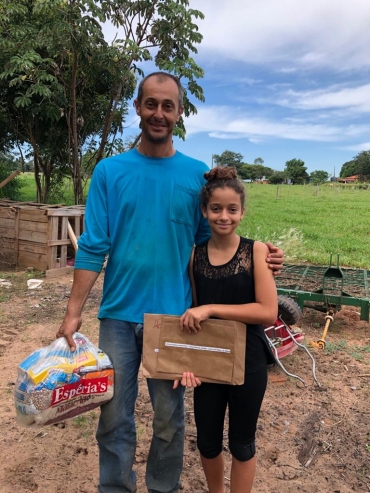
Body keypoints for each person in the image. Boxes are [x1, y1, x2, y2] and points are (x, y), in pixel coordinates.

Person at [56, 72, 284, 493]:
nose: (158, 114)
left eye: (168, 106)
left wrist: (262, 258)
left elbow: (215, 244)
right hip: (119, 316)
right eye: (151, 104)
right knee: (113, 417)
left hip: (176, 318)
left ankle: (163, 487)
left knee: (168, 418)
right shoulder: (109, 171)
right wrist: (72, 314)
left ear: (180, 112)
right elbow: (92, 247)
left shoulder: (197, 176)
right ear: (138, 108)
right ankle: (116, 487)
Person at [175, 166, 278, 493]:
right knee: (206, 441)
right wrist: (186, 361)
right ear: (204, 211)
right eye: (216, 209)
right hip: (208, 361)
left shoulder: (256, 251)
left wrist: (211, 308)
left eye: (232, 209)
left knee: (242, 443)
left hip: (248, 361)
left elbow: (267, 311)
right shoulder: (194, 257)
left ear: (242, 212)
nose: (224, 216)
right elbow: (191, 316)